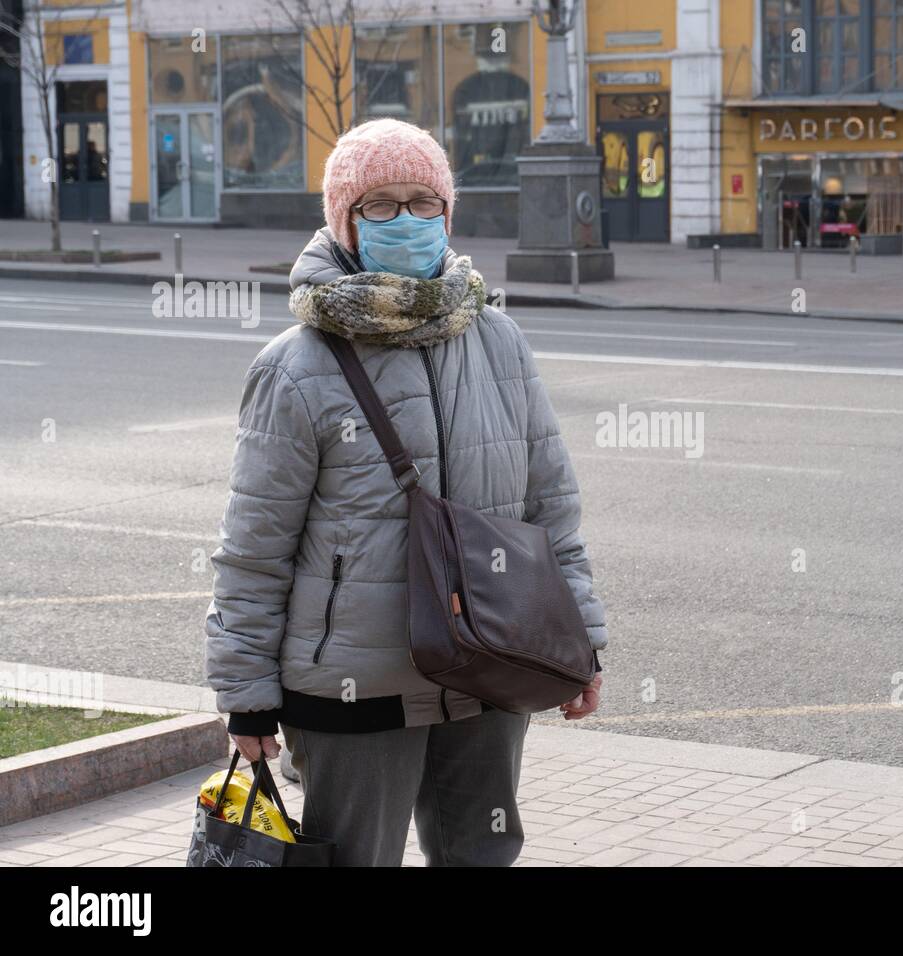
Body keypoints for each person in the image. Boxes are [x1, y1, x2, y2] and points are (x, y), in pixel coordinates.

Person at [203, 118, 607, 866]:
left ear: (447, 214)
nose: (406, 219)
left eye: (423, 201)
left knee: (482, 855)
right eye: (380, 204)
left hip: (492, 665)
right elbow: (254, 547)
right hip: (354, 685)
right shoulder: (295, 366)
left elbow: (551, 509)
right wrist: (246, 690)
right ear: (344, 221)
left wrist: (581, 641)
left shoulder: (498, 339)